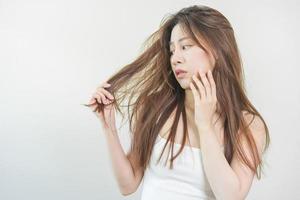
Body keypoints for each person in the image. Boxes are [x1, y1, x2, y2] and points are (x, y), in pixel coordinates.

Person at [84, 5, 270, 200]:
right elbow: (128, 185)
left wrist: (205, 125)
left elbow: (230, 196)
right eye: (172, 51)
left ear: (216, 50)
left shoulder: (249, 125)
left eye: (185, 47)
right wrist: (109, 128)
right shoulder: (154, 107)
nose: (175, 59)